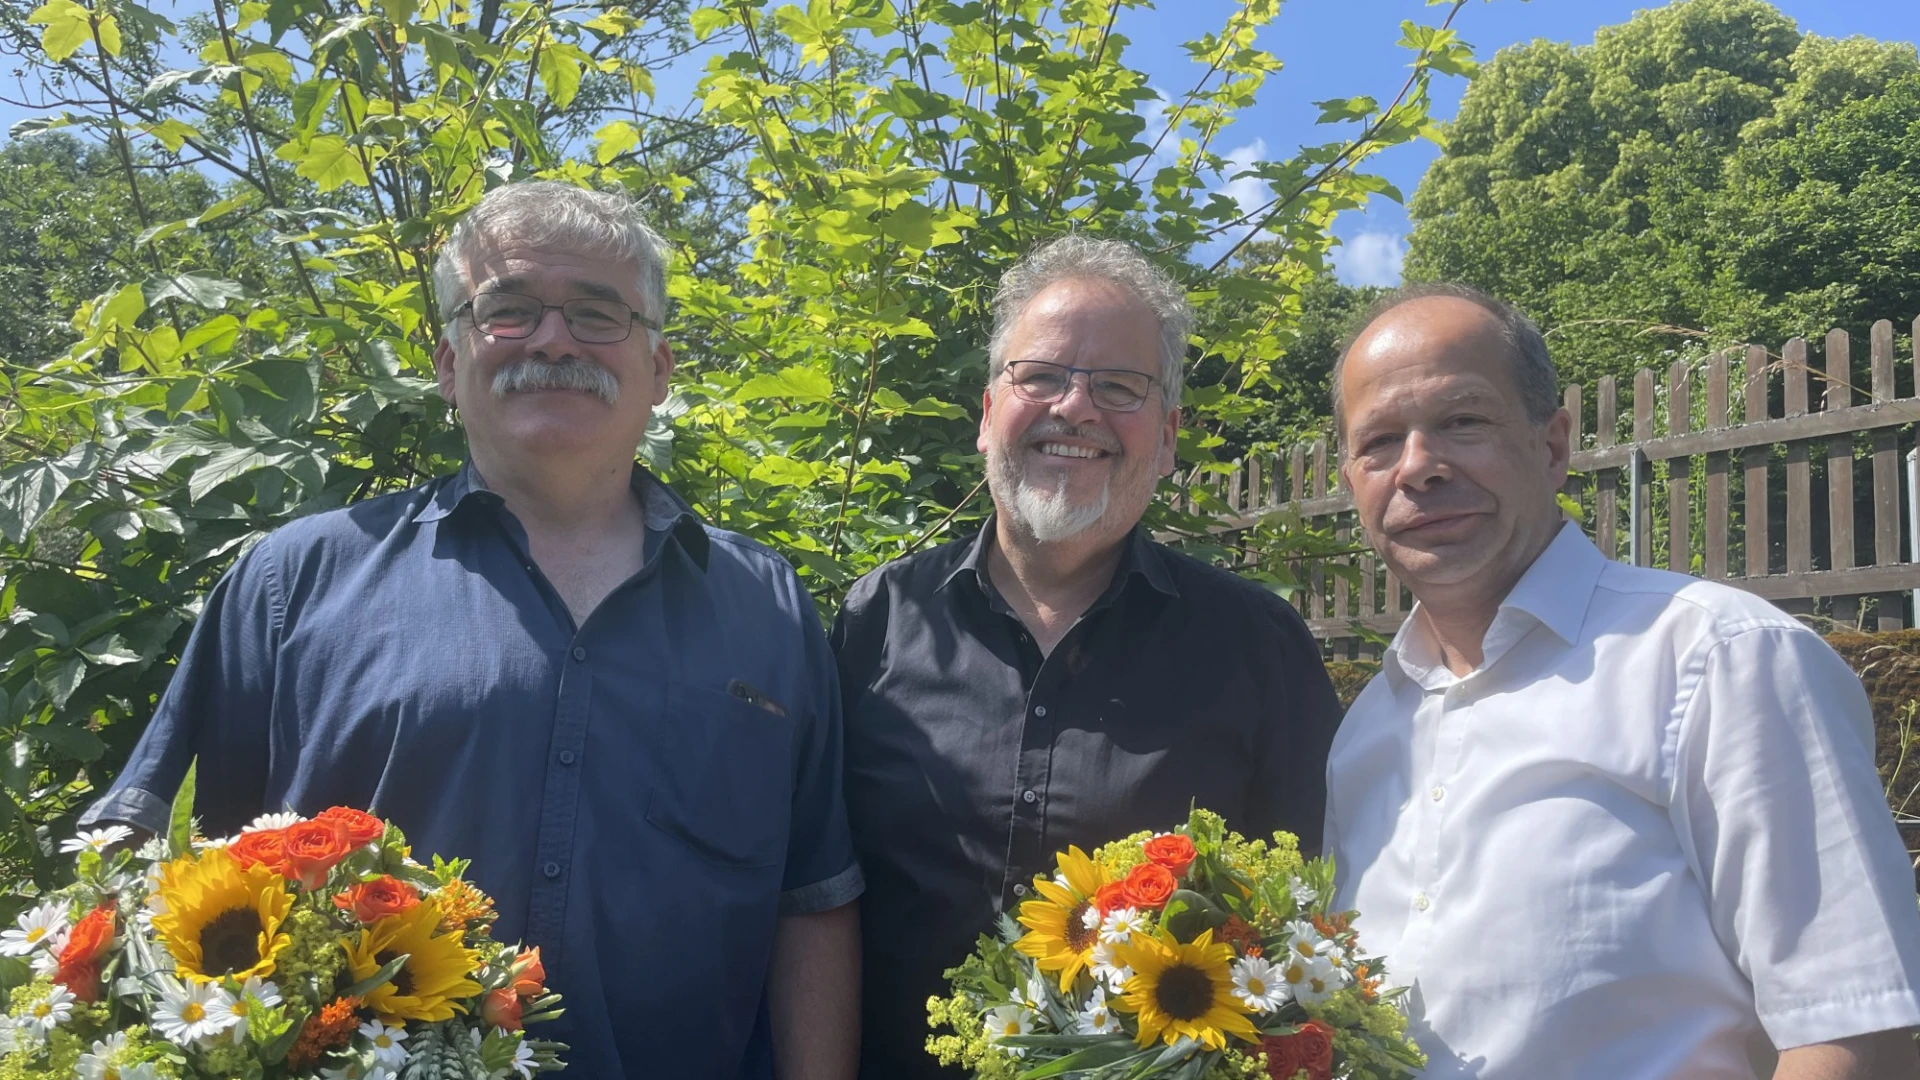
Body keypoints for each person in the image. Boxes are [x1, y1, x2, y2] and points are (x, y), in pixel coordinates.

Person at [81, 181, 863, 1079]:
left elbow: (812, 899)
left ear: (660, 369)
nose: (554, 338)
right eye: (509, 309)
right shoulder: (291, 583)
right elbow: (164, 886)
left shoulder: (766, 603)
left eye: (599, 313)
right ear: (450, 364)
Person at [1324, 283, 1920, 1079]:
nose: (1419, 467)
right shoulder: (1365, 732)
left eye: (1463, 421)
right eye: (1380, 442)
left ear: (1553, 443)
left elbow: (1855, 1028)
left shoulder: (1720, 660)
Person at [833, 235, 1343, 1078]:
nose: (1075, 408)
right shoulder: (877, 619)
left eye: (1119, 386)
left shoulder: (1256, 646)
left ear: (1170, 435)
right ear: (989, 410)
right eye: (1040, 376)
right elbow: (816, 892)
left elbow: (1307, 921)